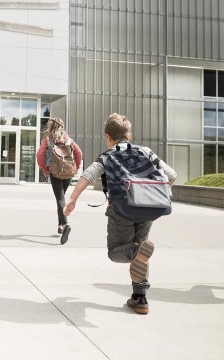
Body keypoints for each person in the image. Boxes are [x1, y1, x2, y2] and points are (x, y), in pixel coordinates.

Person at [63, 113, 176, 315]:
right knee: (143, 251)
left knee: (117, 252)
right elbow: (172, 176)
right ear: (129, 135)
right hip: (148, 210)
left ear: (108, 136)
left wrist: (72, 199)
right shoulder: (146, 152)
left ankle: (134, 252)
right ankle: (139, 298)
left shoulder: (107, 156)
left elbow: (88, 175)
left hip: (121, 210)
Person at [36, 117, 82, 244]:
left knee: (60, 199)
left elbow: (39, 155)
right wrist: (76, 167)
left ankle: (66, 224)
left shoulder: (48, 139)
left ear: (51, 126)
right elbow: (79, 153)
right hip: (68, 172)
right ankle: (60, 226)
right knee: (61, 198)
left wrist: (44, 169)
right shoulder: (68, 139)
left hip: (55, 173)